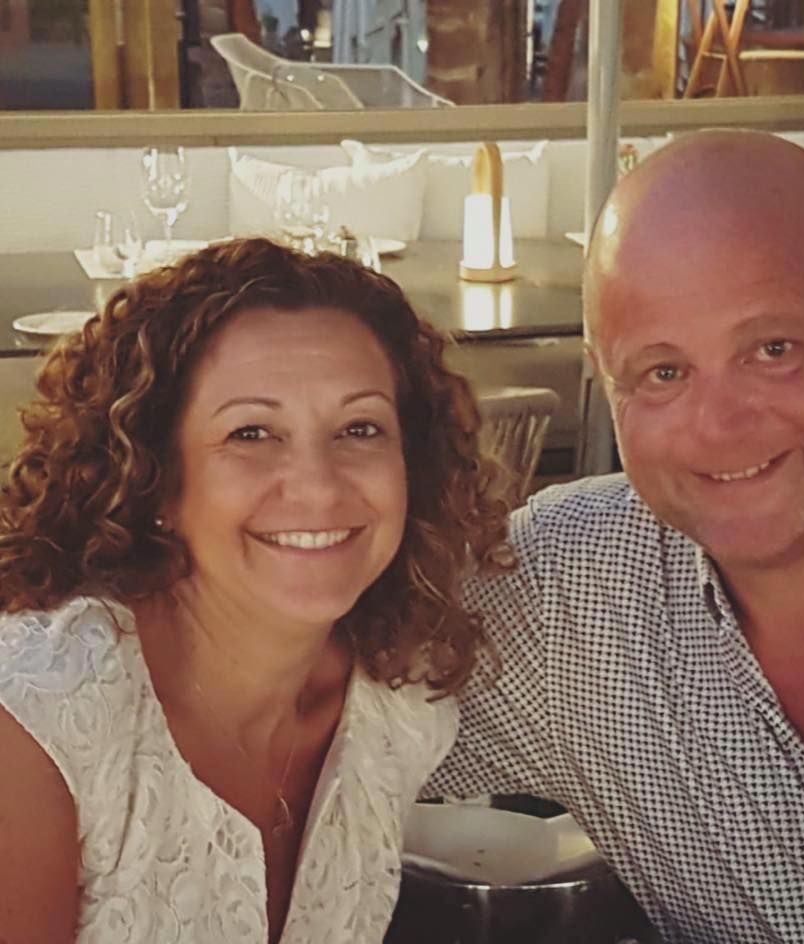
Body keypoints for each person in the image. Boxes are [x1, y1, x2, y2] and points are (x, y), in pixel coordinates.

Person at [426, 129, 804, 942]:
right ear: (606, 381)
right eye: (663, 373)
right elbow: (290, 715)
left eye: (772, 350)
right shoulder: (570, 598)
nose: (719, 425)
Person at [0, 238, 510, 944]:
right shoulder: (38, 726)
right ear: (155, 482)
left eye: (359, 428)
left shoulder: (398, 703)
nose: (318, 486)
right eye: (252, 433)